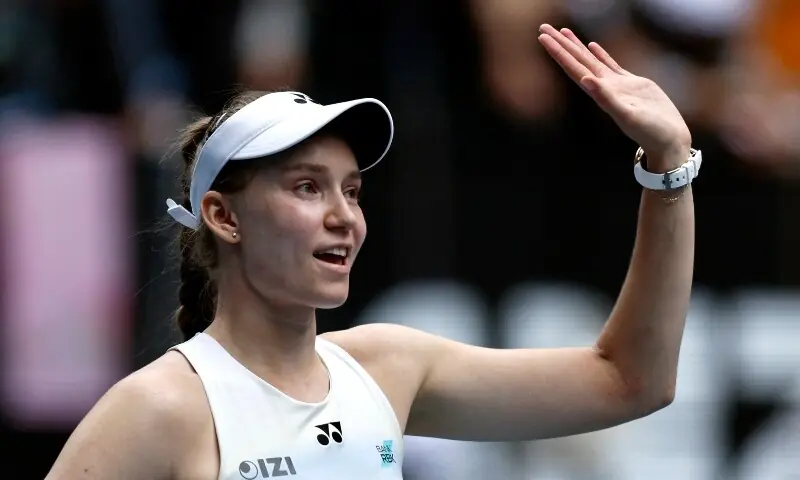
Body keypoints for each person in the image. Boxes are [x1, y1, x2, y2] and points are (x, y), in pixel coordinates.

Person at [46, 24, 701, 480]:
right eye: (307, 187)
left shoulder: (388, 366)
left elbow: (631, 381)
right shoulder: (158, 407)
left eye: (352, 192)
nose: (344, 217)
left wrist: (669, 166)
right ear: (223, 216)